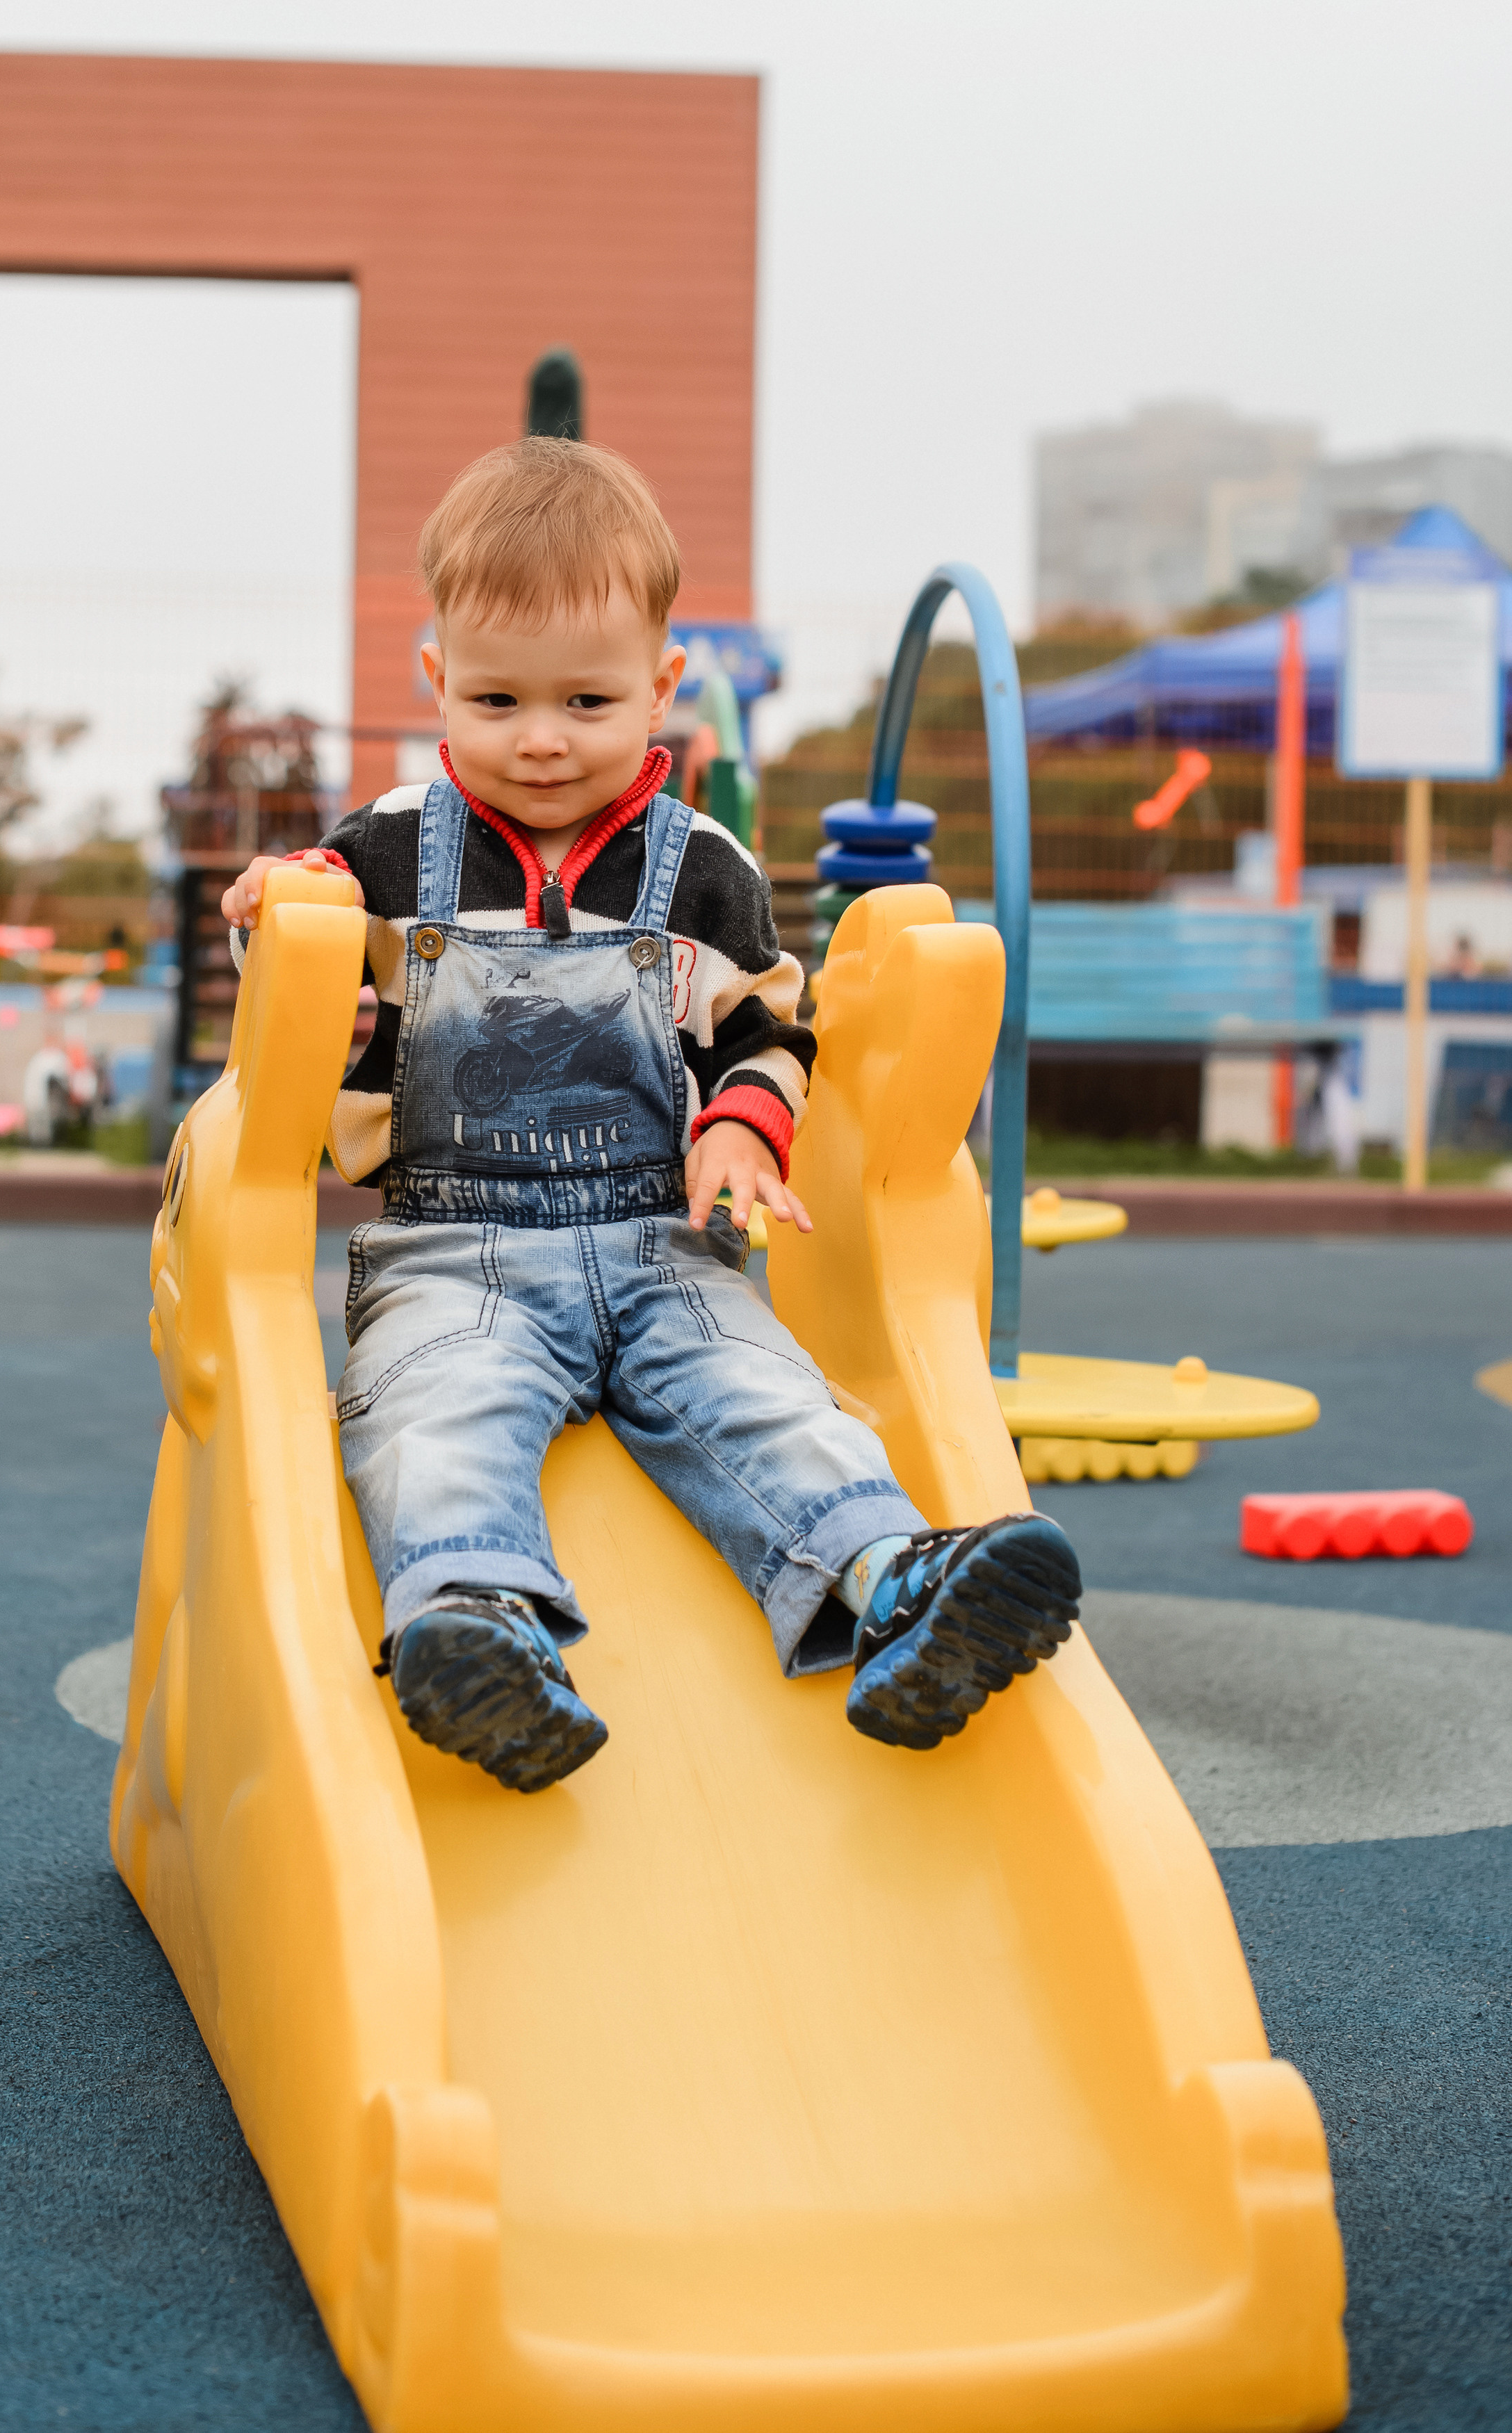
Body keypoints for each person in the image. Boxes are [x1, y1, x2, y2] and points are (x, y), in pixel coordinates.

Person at [222, 439, 1079, 1792]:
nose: (544, 736)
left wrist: (740, 1128)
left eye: (588, 698)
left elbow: (763, 1027)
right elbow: (303, 963)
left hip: (662, 1238)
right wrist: (286, 906)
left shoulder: (702, 872)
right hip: (459, 1248)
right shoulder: (386, 847)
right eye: (497, 698)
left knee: (766, 1394)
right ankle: (477, 1627)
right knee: (437, 1405)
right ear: (436, 676)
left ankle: (895, 1584)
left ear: (661, 687)